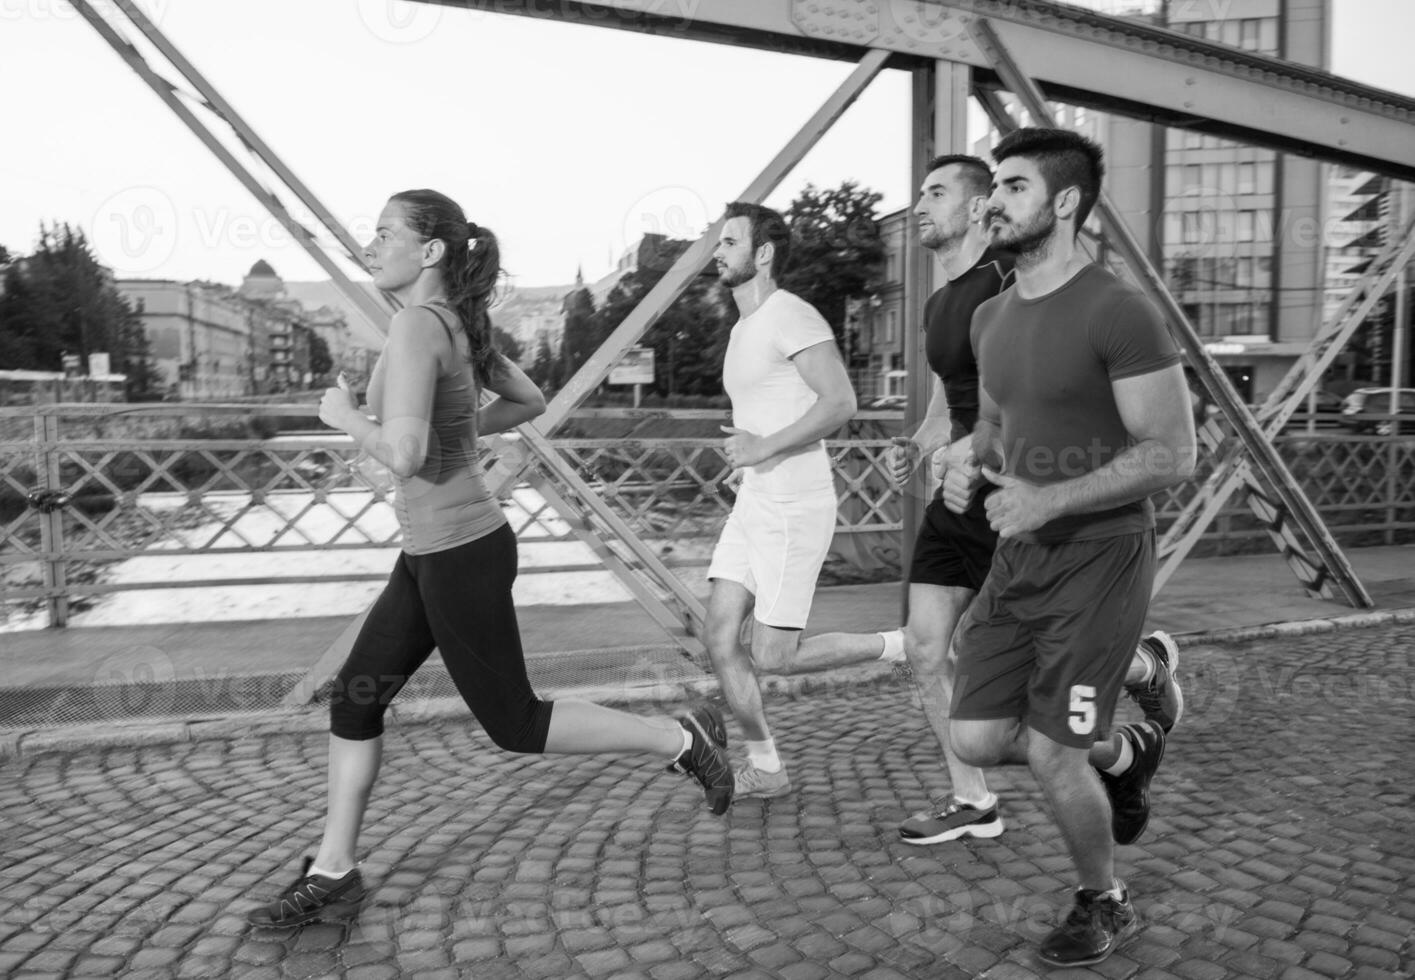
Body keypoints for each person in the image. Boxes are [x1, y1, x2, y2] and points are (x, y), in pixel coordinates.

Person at [247, 189, 732, 929]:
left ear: (431, 250)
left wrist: (345, 416)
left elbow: (407, 454)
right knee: (355, 698)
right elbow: (528, 399)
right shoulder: (455, 322)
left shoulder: (417, 324)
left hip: (459, 551)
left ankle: (679, 738)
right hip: (433, 550)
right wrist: (458, 430)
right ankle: (333, 867)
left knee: (514, 722)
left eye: (383, 234)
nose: (368, 247)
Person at [782, 156, 1183, 848]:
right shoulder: (948, 305)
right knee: (926, 648)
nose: (918, 206)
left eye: (935, 193)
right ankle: (973, 794)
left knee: (1040, 676)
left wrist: (1014, 466)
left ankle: (1130, 678)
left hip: (1028, 495)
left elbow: (1144, 432)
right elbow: (959, 400)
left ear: (977, 209)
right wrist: (933, 446)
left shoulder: (1013, 274)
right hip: (969, 483)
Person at [941, 129, 1197, 967]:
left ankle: (1105, 901)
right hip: (1021, 557)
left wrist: (1049, 496)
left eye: (1010, 187)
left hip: (1101, 554)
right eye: (990, 188)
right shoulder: (988, 314)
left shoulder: (1115, 309)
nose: (990, 202)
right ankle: (1127, 753)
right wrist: (963, 464)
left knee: (1051, 749)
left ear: (1061, 204)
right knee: (976, 740)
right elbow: (992, 425)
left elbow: (1170, 452)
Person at [703, 201, 858, 801]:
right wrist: (749, 456)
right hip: (756, 500)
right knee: (719, 635)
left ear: (762, 253)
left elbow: (840, 403)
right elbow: (767, 412)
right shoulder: (744, 327)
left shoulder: (792, 315)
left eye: (729, 242)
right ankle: (766, 766)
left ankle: (901, 646)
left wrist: (762, 445)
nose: (718, 252)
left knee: (773, 656)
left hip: (796, 505)